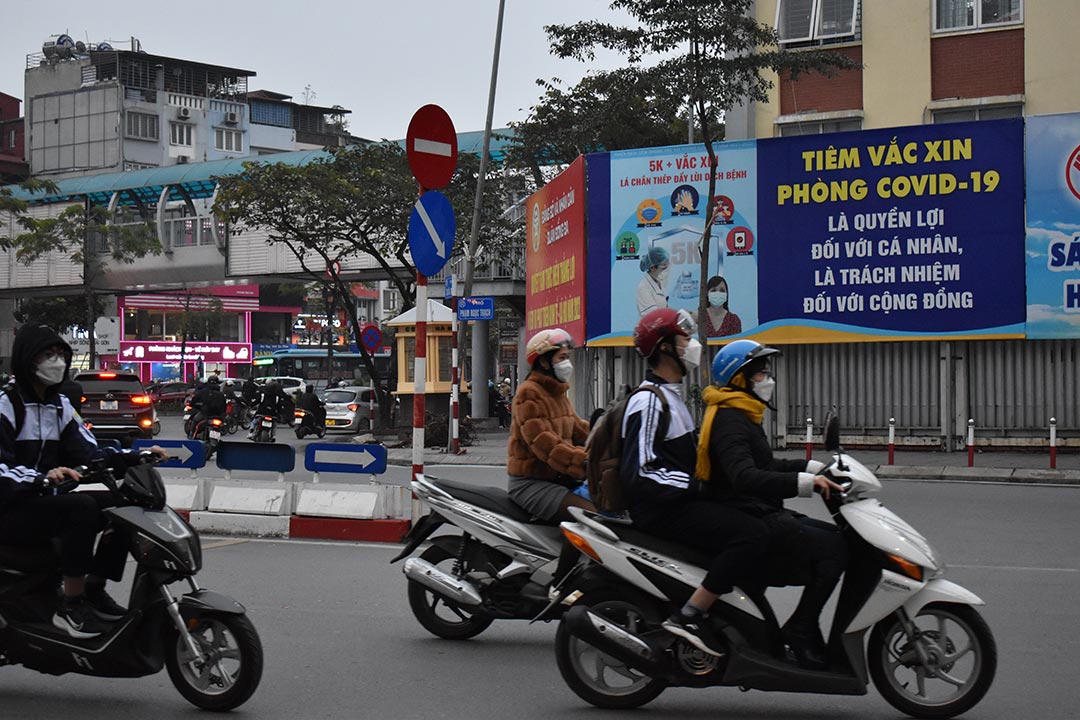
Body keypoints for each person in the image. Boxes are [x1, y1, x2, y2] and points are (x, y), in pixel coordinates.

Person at [0, 324, 166, 638]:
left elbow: (90, 451)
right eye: (48, 355)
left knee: (123, 503)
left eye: (61, 355)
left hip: (41, 502)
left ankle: (93, 588)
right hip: (10, 506)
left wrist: (136, 457)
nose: (57, 362)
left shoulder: (59, 406)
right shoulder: (6, 406)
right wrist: (41, 477)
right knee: (81, 507)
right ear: (27, 361)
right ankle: (70, 604)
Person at [619, 308, 766, 658]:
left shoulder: (674, 395)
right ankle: (689, 616)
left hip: (678, 501)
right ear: (666, 348)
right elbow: (641, 471)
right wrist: (697, 486)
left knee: (764, 519)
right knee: (751, 534)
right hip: (660, 510)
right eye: (685, 338)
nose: (692, 344)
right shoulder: (648, 401)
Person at [697, 340, 845, 669]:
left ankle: (801, 626)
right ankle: (802, 629)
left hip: (759, 510)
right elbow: (745, 476)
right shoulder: (729, 421)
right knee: (836, 549)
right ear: (739, 379)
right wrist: (805, 484)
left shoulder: (741, 414)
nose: (768, 379)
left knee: (836, 542)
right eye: (761, 373)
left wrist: (812, 468)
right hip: (748, 515)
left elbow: (764, 465)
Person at [506, 328, 594, 522]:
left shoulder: (558, 393)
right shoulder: (529, 393)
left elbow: (580, 429)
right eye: (561, 358)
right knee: (591, 517)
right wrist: (585, 462)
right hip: (532, 484)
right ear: (544, 362)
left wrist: (610, 438)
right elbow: (546, 445)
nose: (567, 364)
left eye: (567, 357)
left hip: (560, 479)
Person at [636, 245, 670, 316]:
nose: (667, 269)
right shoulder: (644, 287)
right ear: (652, 268)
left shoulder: (659, 283)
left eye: (668, 265)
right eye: (664, 266)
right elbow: (652, 316)